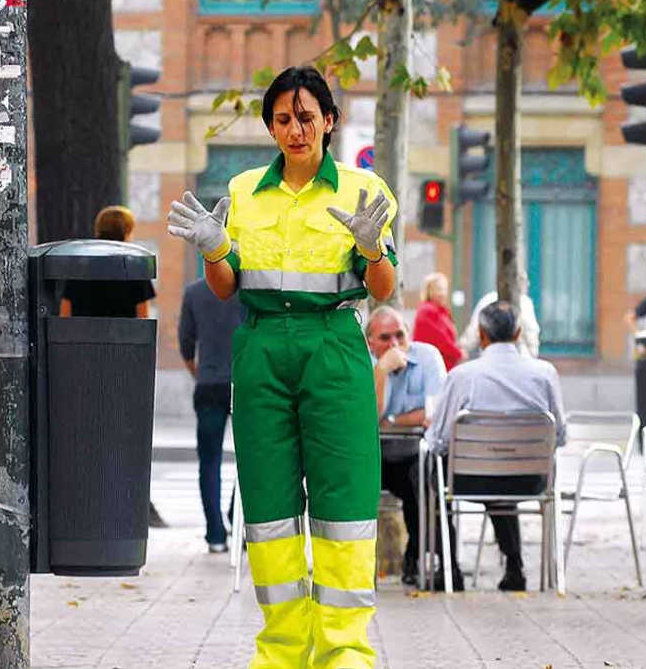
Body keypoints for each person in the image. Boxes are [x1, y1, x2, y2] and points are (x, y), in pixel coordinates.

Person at [168, 65, 397, 668]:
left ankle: (345, 651)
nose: (295, 129)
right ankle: (282, 651)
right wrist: (215, 248)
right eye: (282, 119)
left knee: (344, 497)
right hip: (263, 345)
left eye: (305, 117)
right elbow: (224, 288)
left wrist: (373, 250)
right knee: (268, 504)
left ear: (329, 120)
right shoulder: (243, 191)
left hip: (334, 345)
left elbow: (385, 288)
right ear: (271, 126)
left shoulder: (363, 190)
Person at [425, 300, 566, 592]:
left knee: (432, 470)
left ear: (482, 334)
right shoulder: (545, 373)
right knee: (502, 477)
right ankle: (514, 565)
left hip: (468, 480)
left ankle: (449, 568)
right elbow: (560, 436)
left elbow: (438, 440)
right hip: (531, 480)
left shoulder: (462, 376)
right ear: (517, 333)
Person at [59, 205, 167, 528]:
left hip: (84, 362)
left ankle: (86, 500)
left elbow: (65, 314)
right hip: (123, 362)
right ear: (126, 232)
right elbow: (143, 318)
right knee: (123, 433)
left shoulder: (79, 264)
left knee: (86, 431)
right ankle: (123, 500)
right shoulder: (132, 264)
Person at [366, 306, 451, 588]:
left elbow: (433, 414)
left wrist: (390, 420)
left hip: (414, 454)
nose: (394, 345)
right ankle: (361, 566)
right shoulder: (362, 362)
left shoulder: (427, 357)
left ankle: (424, 559)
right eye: (385, 338)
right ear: (370, 342)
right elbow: (366, 419)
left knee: (425, 482)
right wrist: (380, 372)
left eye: (400, 336)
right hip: (371, 457)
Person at [179, 277, 245, 554]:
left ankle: (215, 533)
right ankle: (236, 517)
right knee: (248, 459)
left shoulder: (194, 292)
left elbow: (185, 340)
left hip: (208, 384)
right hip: (244, 384)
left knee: (209, 461)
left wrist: (198, 372)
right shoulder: (248, 291)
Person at [460, 290, 540, 358]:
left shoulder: (487, 299)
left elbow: (472, 335)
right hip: (521, 358)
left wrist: (462, 349)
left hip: (488, 359)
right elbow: (532, 336)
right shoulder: (525, 302)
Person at [412, 272, 462, 371]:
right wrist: (458, 353)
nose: (443, 293)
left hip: (443, 365)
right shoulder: (427, 311)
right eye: (439, 289)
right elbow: (440, 339)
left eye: (445, 289)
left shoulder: (441, 311)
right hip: (434, 367)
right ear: (429, 291)